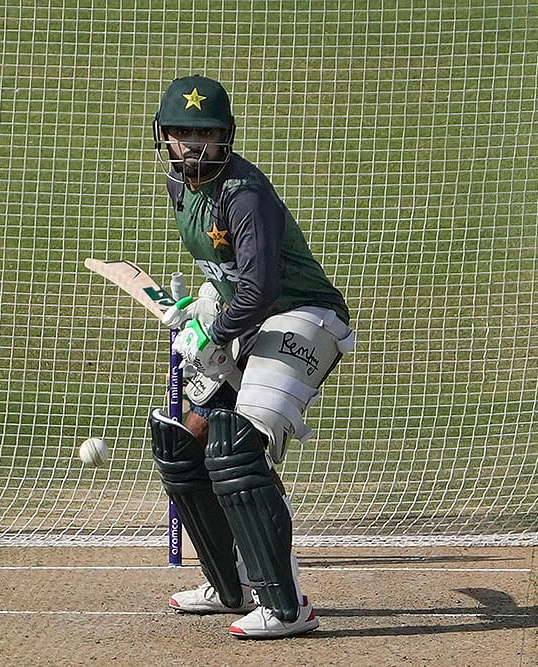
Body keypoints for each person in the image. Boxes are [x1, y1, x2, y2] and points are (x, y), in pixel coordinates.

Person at [146, 75, 354, 640]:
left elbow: (261, 287)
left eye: (207, 133)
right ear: (163, 136)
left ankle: (287, 607)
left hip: (303, 316)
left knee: (237, 445)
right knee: (182, 441)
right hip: (246, 316)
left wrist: (214, 333)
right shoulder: (180, 187)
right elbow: (228, 273)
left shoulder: (245, 195)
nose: (194, 145)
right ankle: (228, 586)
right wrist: (197, 309)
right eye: (184, 133)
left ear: (227, 136)